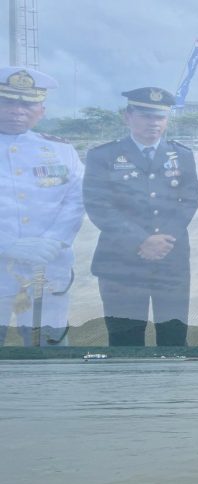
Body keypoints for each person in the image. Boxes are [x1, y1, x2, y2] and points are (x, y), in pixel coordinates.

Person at [83, 87, 198, 346]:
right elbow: (98, 205)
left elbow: (189, 200)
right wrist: (141, 240)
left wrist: (162, 239)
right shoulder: (103, 156)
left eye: (160, 117)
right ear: (128, 116)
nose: (153, 123)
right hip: (121, 261)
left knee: (173, 338)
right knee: (125, 338)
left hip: (170, 259)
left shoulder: (181, 155)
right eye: (146, 116)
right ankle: (127, 388)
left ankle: (171, 386)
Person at [0, 67, 84, 346]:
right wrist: (5, 243)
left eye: (27, 104)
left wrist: (53, 241)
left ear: (42, 110)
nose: (17, 110)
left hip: (48, 268)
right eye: (8, 101)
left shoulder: (61, 150)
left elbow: (77, 198)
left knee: (50, 348)